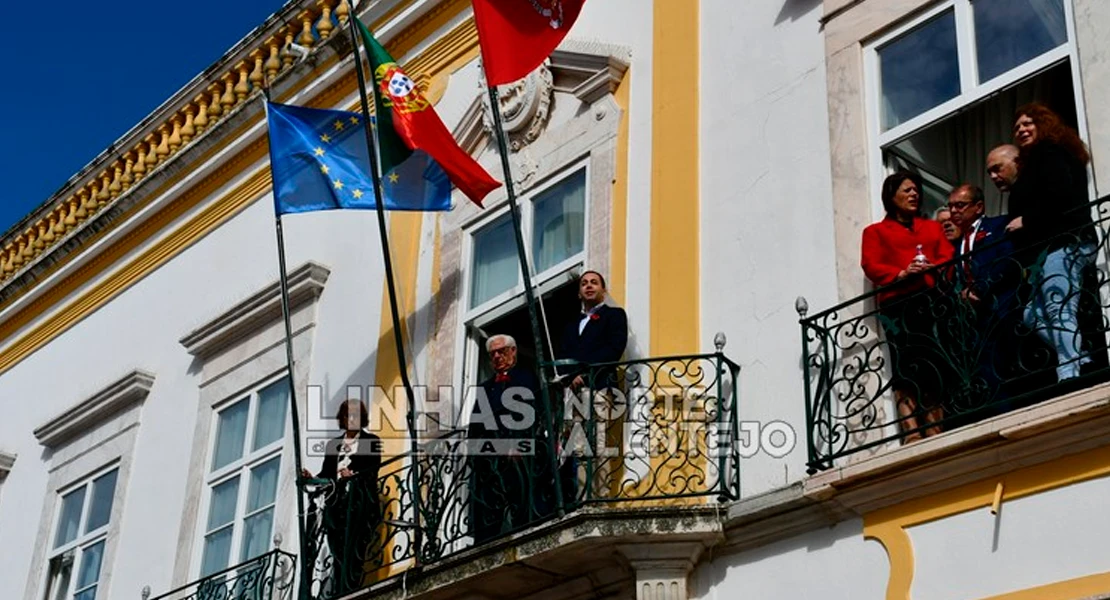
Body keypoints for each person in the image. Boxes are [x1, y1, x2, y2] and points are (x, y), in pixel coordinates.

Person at [1007, 102, 1099, 381]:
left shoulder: (1050, 152)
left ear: (1043, 123)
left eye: (1027, 123)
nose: (1021, 130)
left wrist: (1027, 220)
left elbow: (1060, 194)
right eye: (1017, 127)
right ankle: (1080, 359)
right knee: (1032, 316)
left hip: (1065, 243)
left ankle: (1069, 373)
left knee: (1058, 307)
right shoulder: (1042, 156)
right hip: (1052, 249)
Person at [861, 170, 955, 441]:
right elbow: (871, 264)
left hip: (932, 301)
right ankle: (911, 431)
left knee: (934, 365)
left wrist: (931, 268)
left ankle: (935, 427)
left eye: (916, 190)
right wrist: (901, 273)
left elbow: (947, 257)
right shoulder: (875, 231)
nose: (914, 194)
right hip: (899, 305)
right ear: (891, 196)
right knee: (906, 367)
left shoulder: (931, 227)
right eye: (907, 190)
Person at [467, 334, 552, 543]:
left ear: (513, 351)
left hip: (518, 456)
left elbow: (533, 416)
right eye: (492, 354)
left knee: (523, 510)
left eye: (501, 351)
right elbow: (475, 428)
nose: (497, 356)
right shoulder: (484, 388)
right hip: (492, 460)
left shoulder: (526, 377)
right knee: (488, 516)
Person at [947, 184, 1020, 419]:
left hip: (1003, 304)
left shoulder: (997, 225)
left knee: (1010, 361)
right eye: (951, 207)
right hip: (977, 317)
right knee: (987, 367)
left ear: (978, 207)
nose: (954, 211)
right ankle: (1001, 414)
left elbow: (1007, 259)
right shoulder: (958, 244)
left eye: (960, 205)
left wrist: (980, 288)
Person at [556, 270, 628, 502]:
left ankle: (600, 498)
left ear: (603, 290)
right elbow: (563, 356)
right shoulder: (571, 325)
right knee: (578, 446)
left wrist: (583, 374)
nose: (589, 286)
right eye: (584, 283)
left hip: (600, 386)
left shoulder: (614, 315)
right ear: (579, 292)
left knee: (598, 442)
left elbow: (613, 348)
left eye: (594, 283)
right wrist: (570, 376)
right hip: (575, 392)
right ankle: (582, 497)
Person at [301, 399, 382, 594]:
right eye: (347, 415)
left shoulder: (372, 441)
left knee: (354, 549)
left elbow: (373, 470)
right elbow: (326, 474)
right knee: (337, 547)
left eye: (355, 415)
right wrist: (312, 478)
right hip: (337, 504)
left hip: (358, 503)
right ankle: (340, 589)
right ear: (342, 419)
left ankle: (350, 589)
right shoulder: (333, 444)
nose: (351, 419)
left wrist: (354, 475)